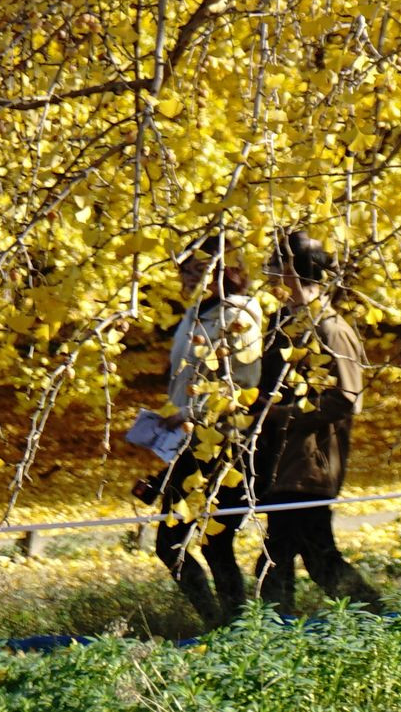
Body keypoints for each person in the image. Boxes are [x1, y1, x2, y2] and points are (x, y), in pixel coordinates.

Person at [248, 230, 388, 618]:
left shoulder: (330, 328)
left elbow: (347, 398)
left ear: (298, 271)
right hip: (280, 462)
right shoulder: (282, 322)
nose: (272, 274)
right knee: (302, 553)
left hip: (311, 464)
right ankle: (370, 618)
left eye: (279, 266)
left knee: (292, 556)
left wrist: (279, 415)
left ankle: (376, 619)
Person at [146, 229, 264, 626]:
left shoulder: (239, 315)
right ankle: (222, 623)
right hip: (186, 441)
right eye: (186, 271)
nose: (189, 279)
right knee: (173, 543)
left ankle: (232, 626)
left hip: (221, 443)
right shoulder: (196, 314)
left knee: (212, 541)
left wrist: (190, 413)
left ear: (226, 270)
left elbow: (243, 383)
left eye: (200, 270)